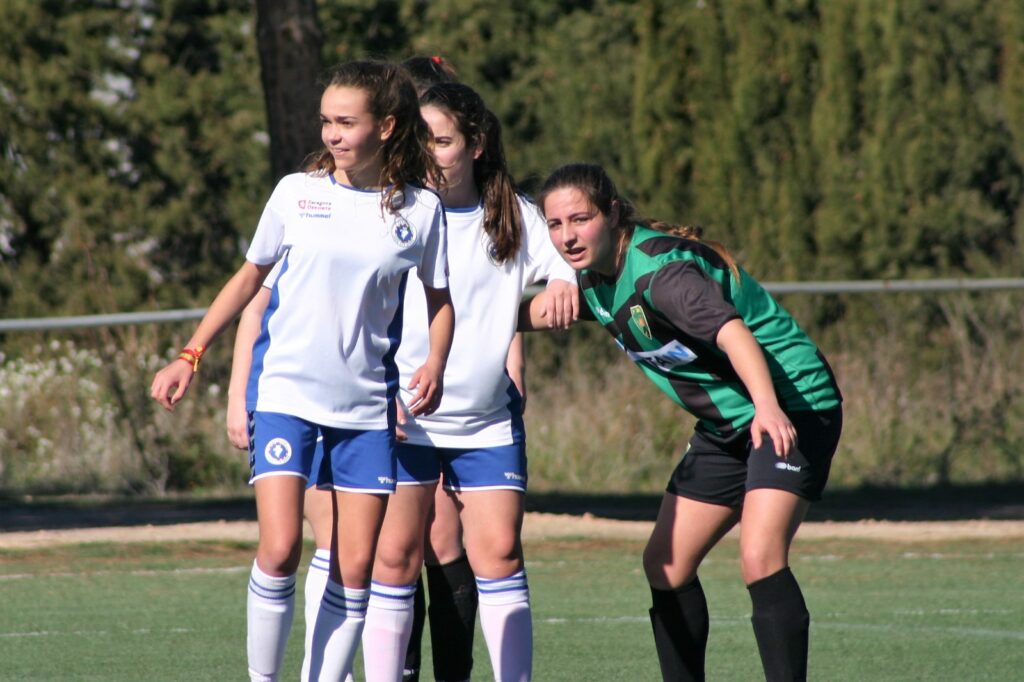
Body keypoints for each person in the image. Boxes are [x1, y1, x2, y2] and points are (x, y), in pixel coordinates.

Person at [151, 59, 454, 682]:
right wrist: (191, 353)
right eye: (326, 122)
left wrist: (437, 362)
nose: (332, 135)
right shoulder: (296, 192)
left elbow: (440, 299)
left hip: (366, 410)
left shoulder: (422, 211)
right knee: (282, 546)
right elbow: (249, 279)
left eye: (347, 122)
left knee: (352, 565)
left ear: (387, 126)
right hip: (287, 394)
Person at [537, 163, 842, 682]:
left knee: (760, 556)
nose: (567, 236)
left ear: (612, 213)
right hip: (729, 426)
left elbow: (733, 334)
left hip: (792, 404)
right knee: (666, 565)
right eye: (555, 224)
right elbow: (547, 310)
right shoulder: (592, 275)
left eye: (580, 219)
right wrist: (482, 322)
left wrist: (767, 407)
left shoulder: (663, 275)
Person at [361, 82, 578, 682]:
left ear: (477, 143)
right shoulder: (395, 210)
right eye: (422, 138)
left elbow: (562, 264)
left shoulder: (514, 213)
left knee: (500, 554)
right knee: (396, 559)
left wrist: (561, 281)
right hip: (404, 419)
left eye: (444, 139)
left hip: (486, 423)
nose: (430, 151)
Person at [397, 54, 483, 682]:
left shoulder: (485, 206)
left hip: (461, 403)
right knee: (393, 550)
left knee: (446, 544)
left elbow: (493, 298)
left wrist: (514, 364)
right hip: (386, 393)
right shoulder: (386, 203)